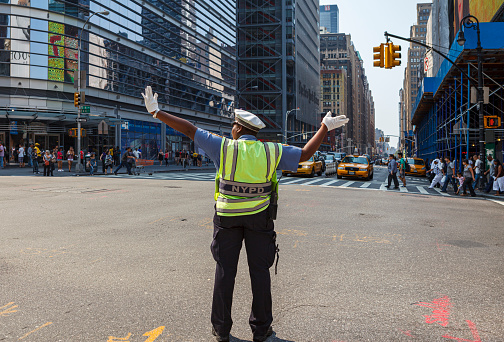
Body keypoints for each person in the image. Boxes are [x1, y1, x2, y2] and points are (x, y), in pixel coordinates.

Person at [141, 86, 349, 342]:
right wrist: (324, 127)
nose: (231, 128)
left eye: (233, 126)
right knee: (259, 273)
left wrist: (157, 113)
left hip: (227, 219)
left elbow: (188, 129)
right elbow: (305, 154)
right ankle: (261, 331)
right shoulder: (273, 150)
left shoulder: (224, 147)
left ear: (238, 129)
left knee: (225, 272)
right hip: (259, 219)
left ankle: (221, 330)